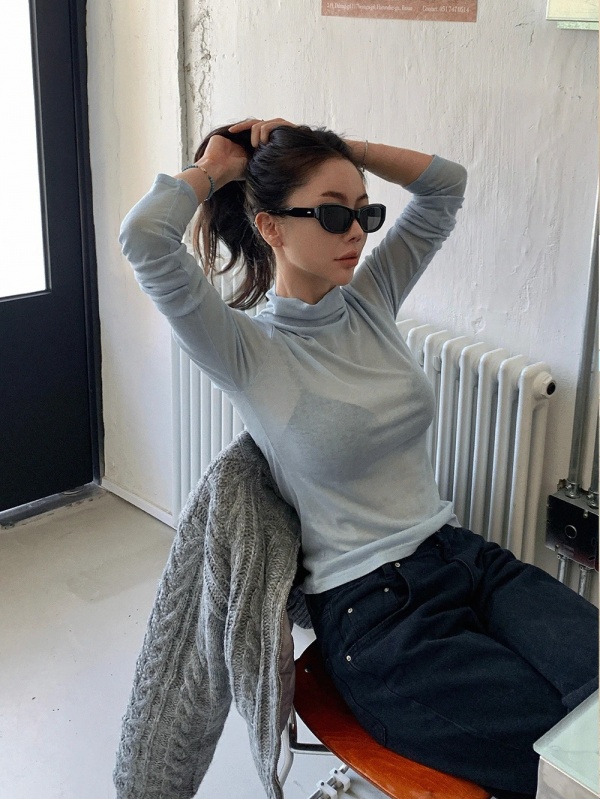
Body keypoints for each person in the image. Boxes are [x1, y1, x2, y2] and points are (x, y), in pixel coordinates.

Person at [119, 117, 598, 799]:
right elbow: (144, 237)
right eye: (333, 213)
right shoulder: (245, 350)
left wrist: (343, 148)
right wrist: (220, 166)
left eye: (365, 212)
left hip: (463, 558)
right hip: (376, 613)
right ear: (270, 226)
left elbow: (445, 186)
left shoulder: (370, 300)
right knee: (562, 756)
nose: (357, 233)